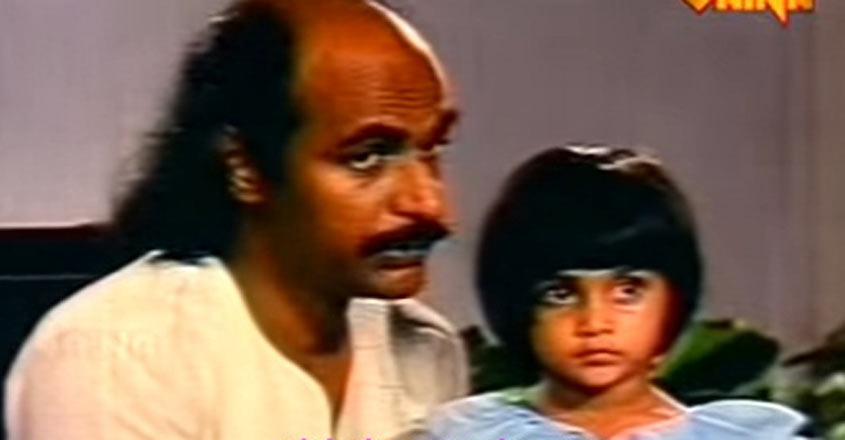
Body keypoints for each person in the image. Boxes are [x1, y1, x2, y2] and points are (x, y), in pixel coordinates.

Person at [5, 0, 467, 439]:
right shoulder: (114, 357)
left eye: (433, 149)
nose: (430, 204)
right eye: (367, 157)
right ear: (245, 166)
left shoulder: (428, 349)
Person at [420, 145, 807, 439]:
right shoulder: (470, 434)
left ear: (674, 297)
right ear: (517, 302)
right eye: (560, 294)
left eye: (627, 291)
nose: (595, 323)